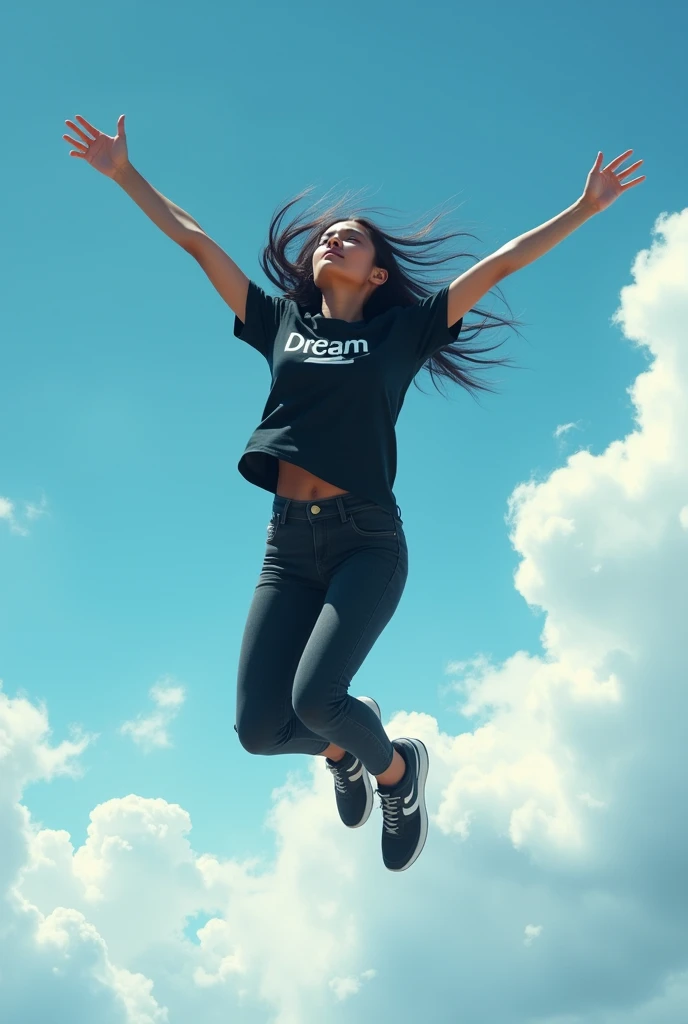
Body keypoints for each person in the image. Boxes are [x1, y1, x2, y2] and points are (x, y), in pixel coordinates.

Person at [63, 113, 644, 872]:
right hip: (286, 547)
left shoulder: (401, 332)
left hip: (365, 542)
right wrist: (125, 174)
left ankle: (397, 770)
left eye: (354, 236)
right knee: (258, 730)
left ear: (376, 273)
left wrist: (583, 207)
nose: (335, 237)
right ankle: (346, 743)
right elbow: (197, 241)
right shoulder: (279, 323)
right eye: (327, 234)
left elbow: (497, 268)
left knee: (313, 698)